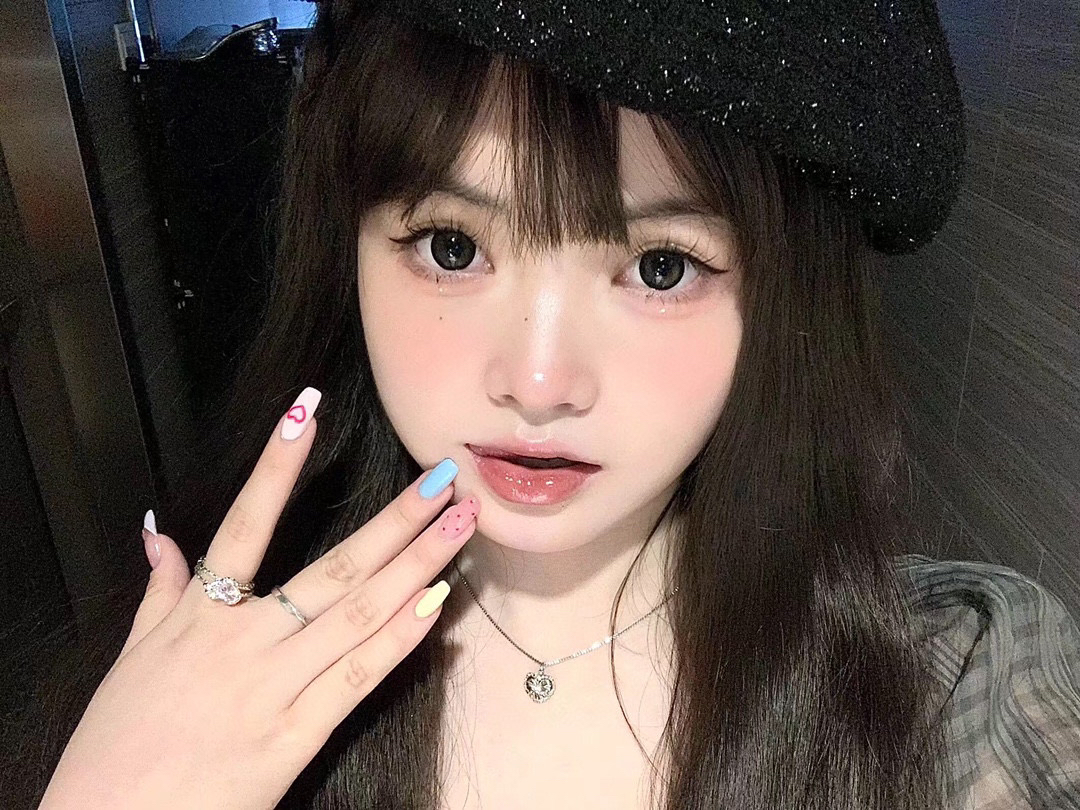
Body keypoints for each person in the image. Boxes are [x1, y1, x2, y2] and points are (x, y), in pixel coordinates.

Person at [15, 0, 1080, 808]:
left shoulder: (951, 685)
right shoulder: (198, 673)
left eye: (661, 267)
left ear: (785, 301)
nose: (536, 383)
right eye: (451, 247)